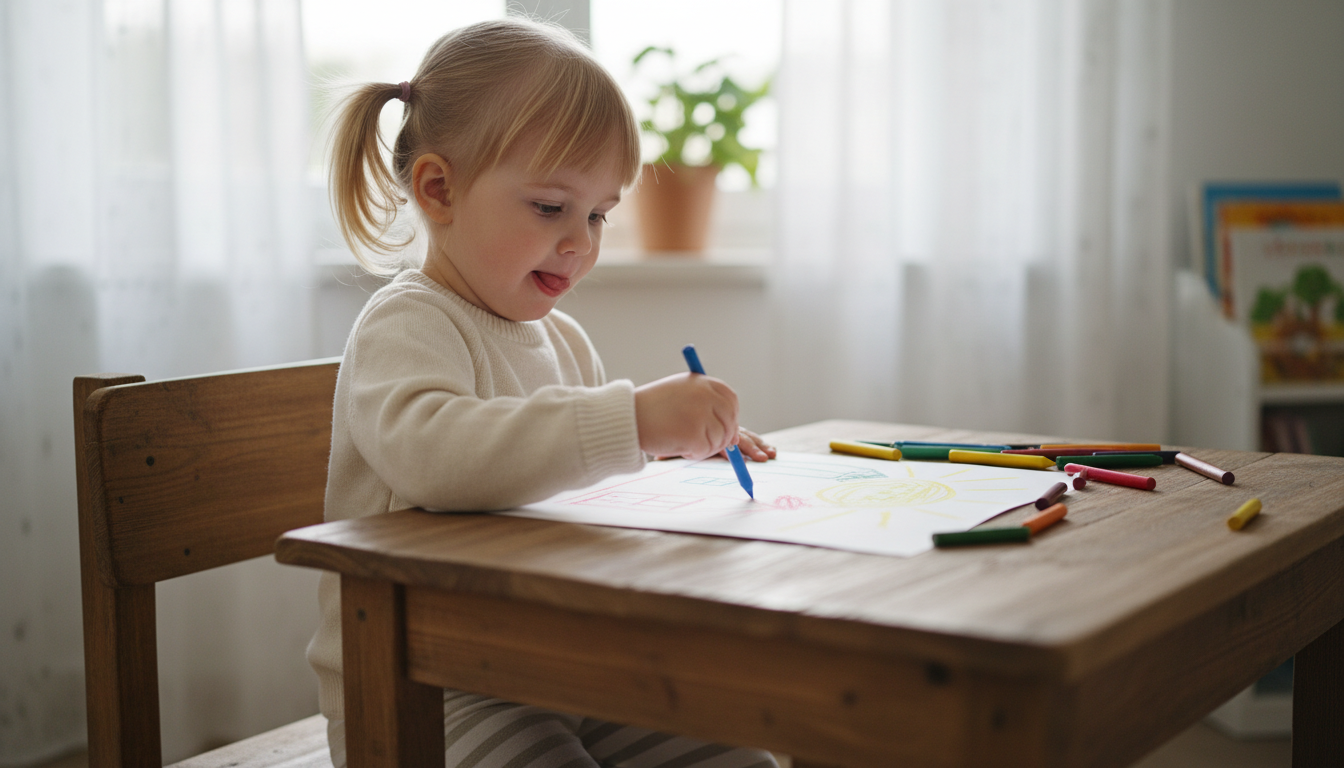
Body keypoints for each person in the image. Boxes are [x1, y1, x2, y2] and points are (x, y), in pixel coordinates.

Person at [306, 17, 778, 768]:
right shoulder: (406, 324)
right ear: (439, 189)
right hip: (421, 688)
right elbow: (438, 457)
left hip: (552, 665)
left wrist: (679, 453)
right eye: (552, 208)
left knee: (736, 754)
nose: (583, 243)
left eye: (597, 214)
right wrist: (632, 421)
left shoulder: (563, 341)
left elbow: (578, 483)